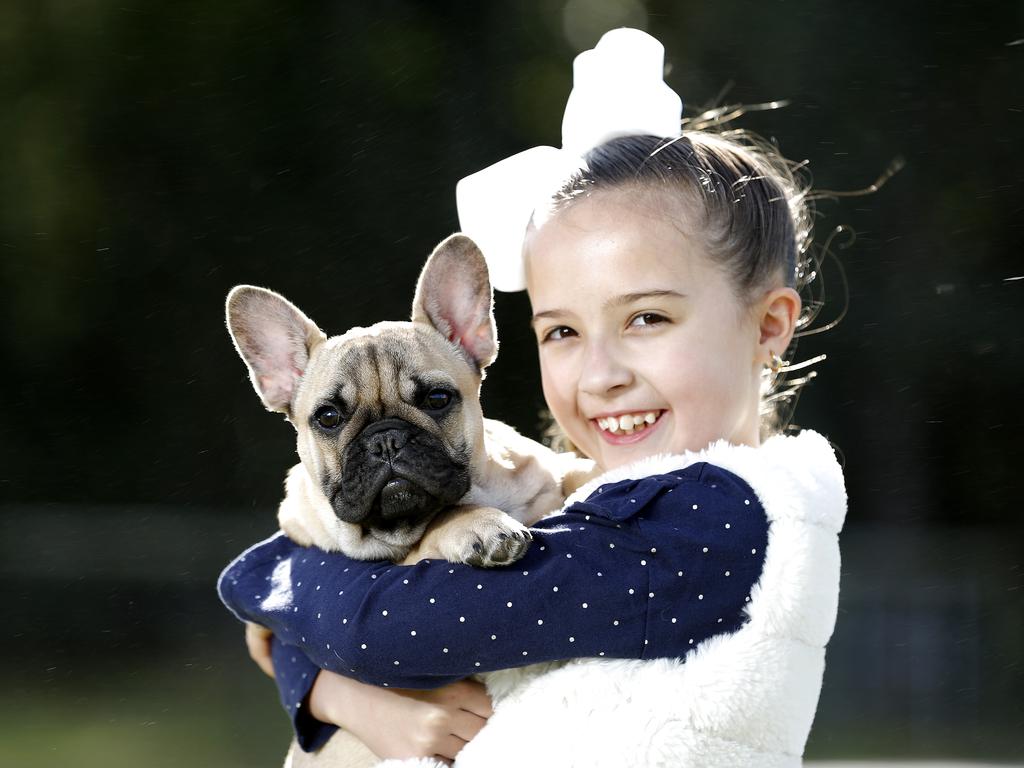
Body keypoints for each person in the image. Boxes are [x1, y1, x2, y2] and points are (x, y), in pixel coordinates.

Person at [218, 28, 846, 767]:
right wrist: (318, 679)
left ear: (768, 325)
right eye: (561, 332)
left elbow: (391, 630)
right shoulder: (600, 499)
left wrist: (278, 603)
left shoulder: (721, 522)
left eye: (648, 318)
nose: (600, 371)